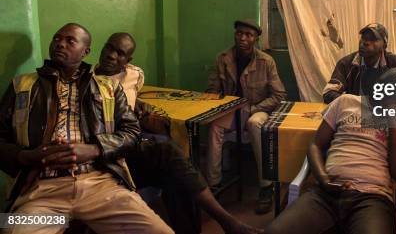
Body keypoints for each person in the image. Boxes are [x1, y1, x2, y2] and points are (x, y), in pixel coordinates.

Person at [0, 23, 172, 234]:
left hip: (100, 184)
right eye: (56, 38)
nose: (60, 44)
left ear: (86, 51)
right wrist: (28, 156)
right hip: (41, 191)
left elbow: (132, 133)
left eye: (70, 41)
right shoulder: (21, 85)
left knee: (159, 231)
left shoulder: (108, 87)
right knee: (10, 228)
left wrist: (94, 149)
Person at [95, 32, 261, 234]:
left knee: (176, 170)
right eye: (109, 48)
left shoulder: (135, 74)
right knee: (171, 155)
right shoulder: (87, 81)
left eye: (120, 53)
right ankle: (227, 221)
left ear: (127, 61)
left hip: (133, 145)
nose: (112, 55)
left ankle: (206, 226)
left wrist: (140, 109)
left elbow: (132, 98)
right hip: (108, 150)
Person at [265, 67, 396, 234]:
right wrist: (323, 179)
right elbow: (315, 145)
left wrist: (394, 122)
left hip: (372, 199)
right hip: (326, 193)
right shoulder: (346, 102)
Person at [206, 20, 287, 214]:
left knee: (254, 124)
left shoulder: (266, 61)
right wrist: (219, 103)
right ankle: (214, 184)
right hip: (230, 111)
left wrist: (253, 108)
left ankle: (266, 186)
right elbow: (211, 91)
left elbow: (279, 95)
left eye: (248, 35)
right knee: (214, 125)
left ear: (256, 38)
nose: (243, 38)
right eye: (239, 34)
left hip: (257, 108)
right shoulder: (222, 58)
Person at [322, 23, 396, 104]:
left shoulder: (395, 64)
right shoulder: (346, 64)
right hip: (355, 114)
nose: (365, 42)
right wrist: (350, 102)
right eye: (363, 38)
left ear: (384, 45)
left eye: (373, 39)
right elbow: (328, 93)